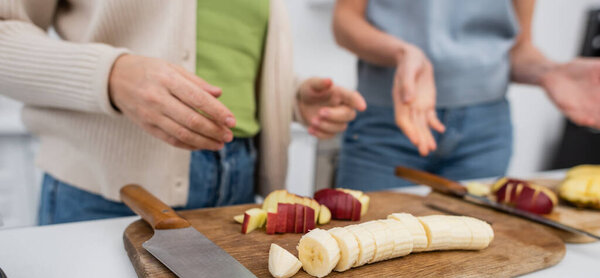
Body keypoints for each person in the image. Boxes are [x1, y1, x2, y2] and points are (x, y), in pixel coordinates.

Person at [0, 0, 366, 224]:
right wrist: (111, 74)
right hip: (107, 189)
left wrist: (289, 96)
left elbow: (227, 56)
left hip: (239, 186)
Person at [333, 0, 600, 191]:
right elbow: (345, 20)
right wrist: (403, 53)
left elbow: (519, 50)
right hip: (389, 121)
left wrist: (550, 71)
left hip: (485, 132)